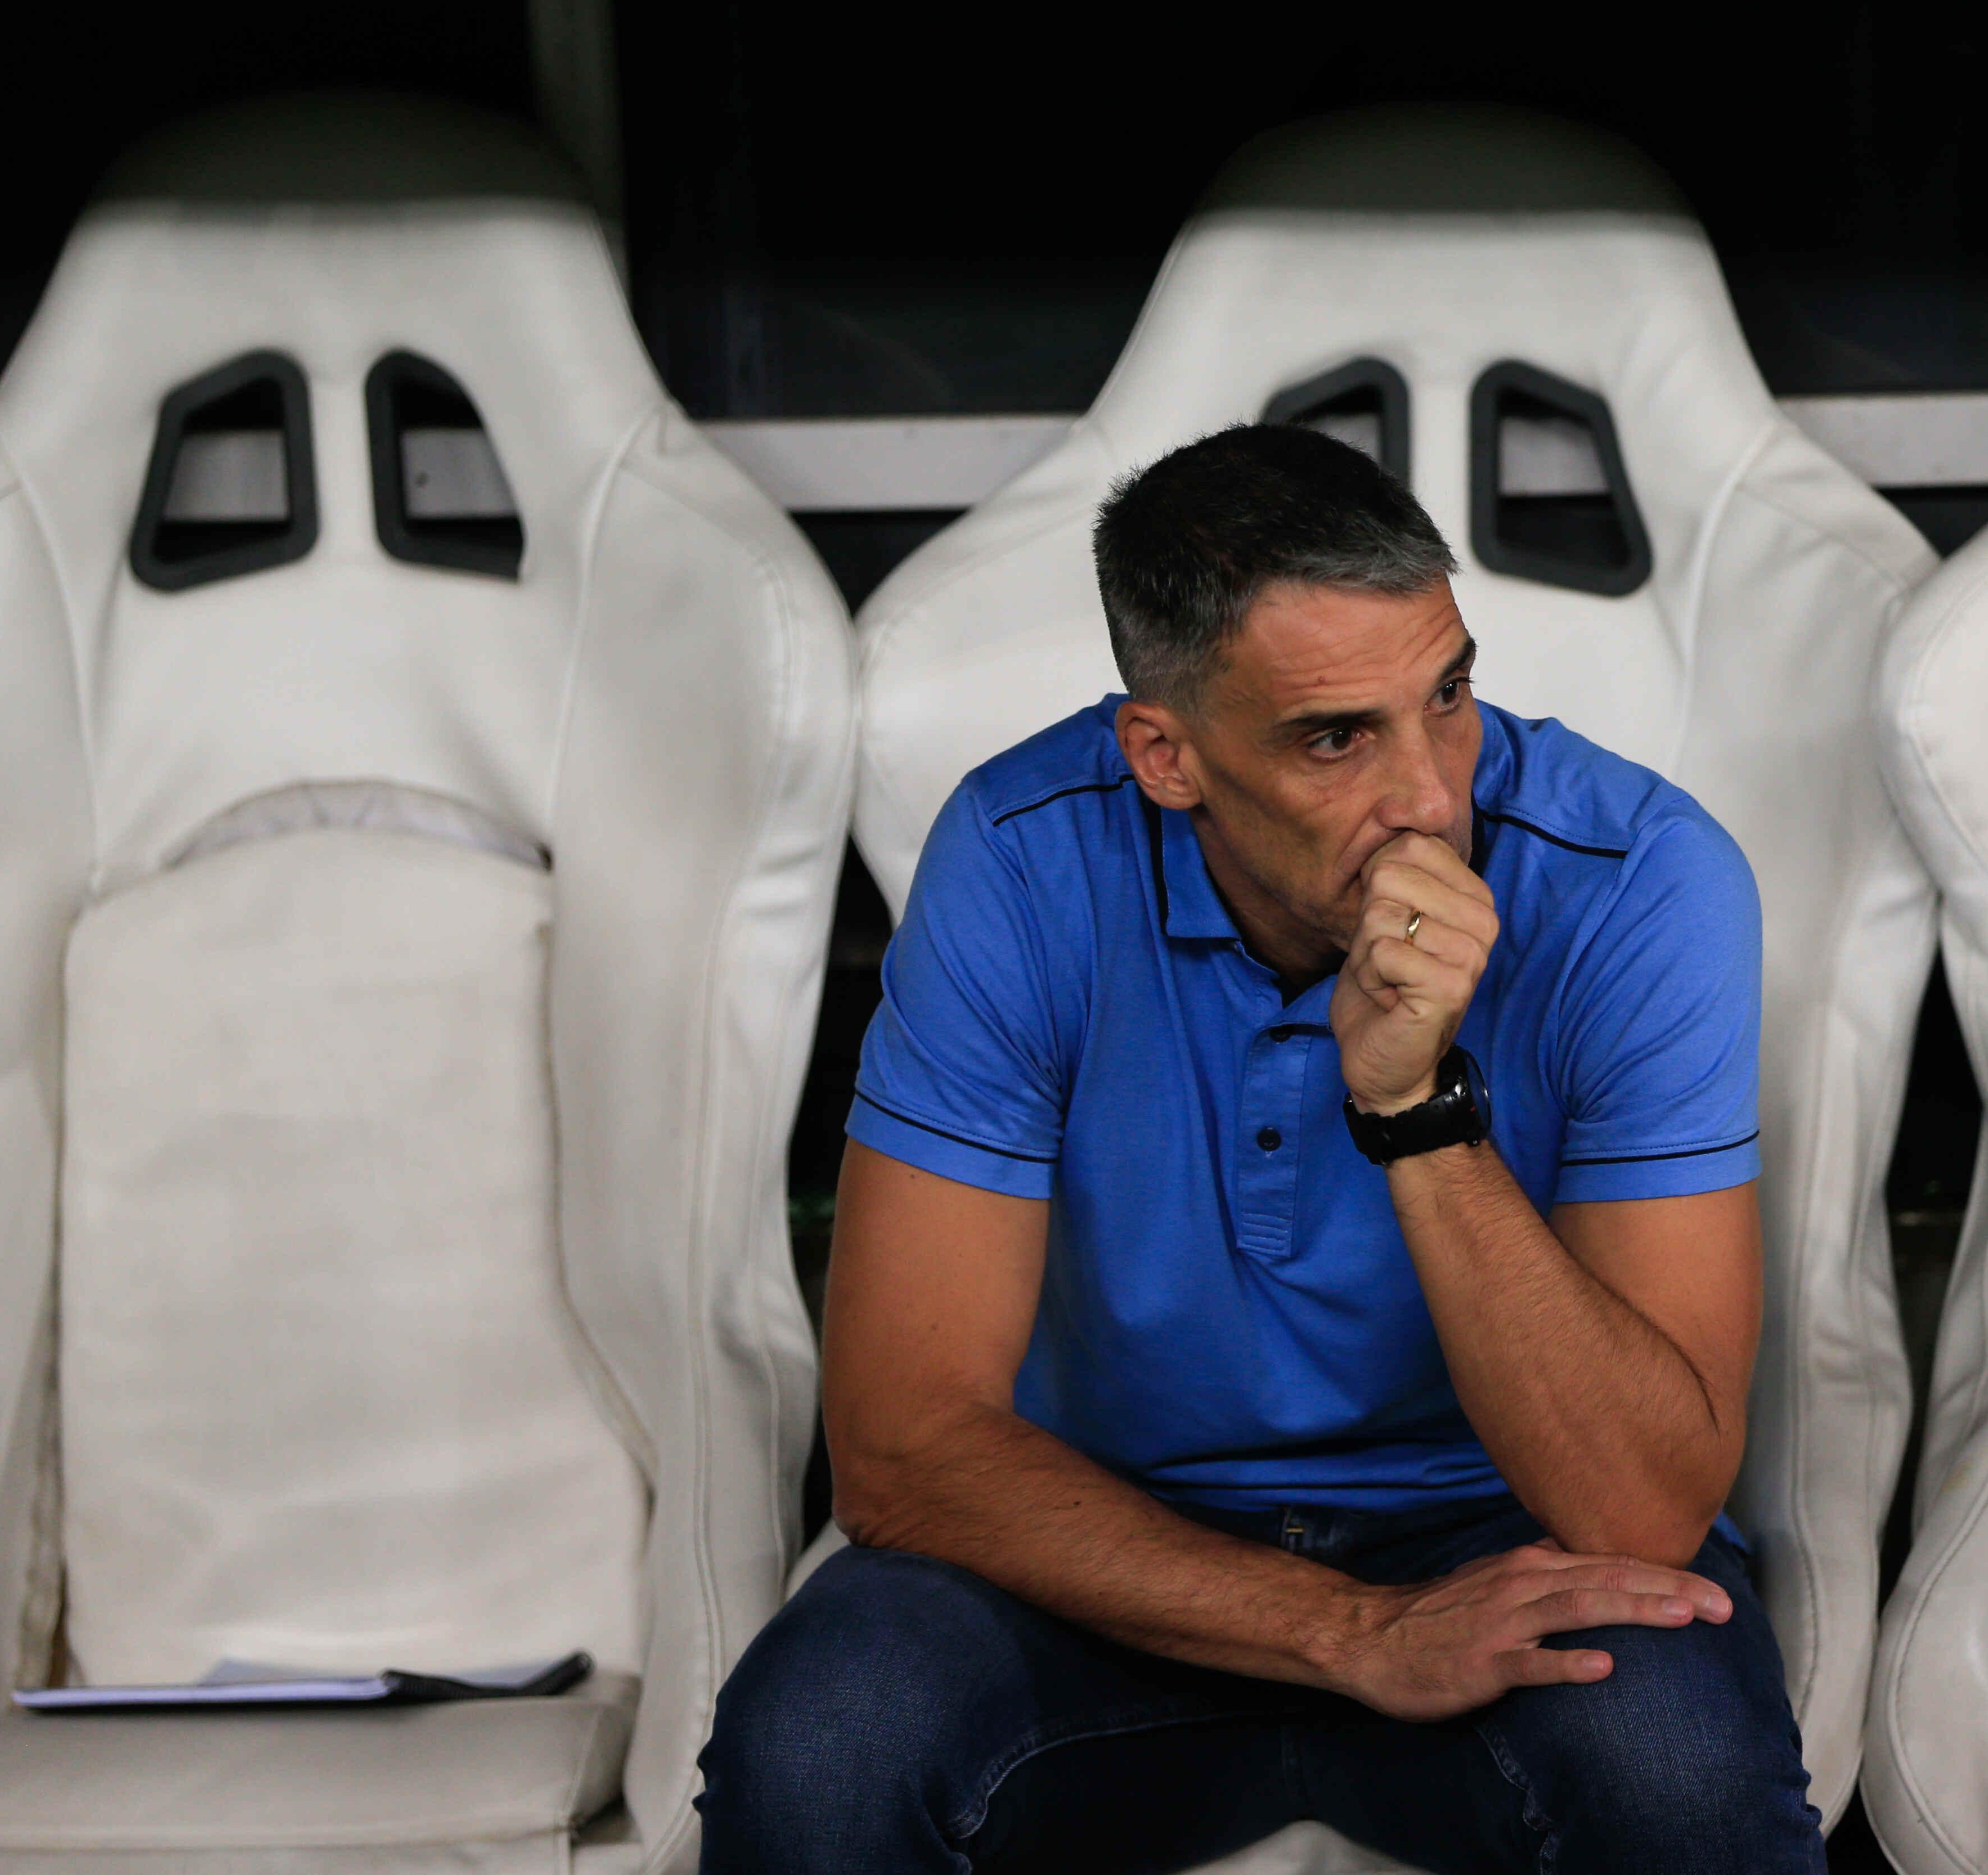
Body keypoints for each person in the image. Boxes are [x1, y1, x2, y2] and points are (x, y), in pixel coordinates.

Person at [699, 423, 1821, 1873]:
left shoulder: (1642, 878)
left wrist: (1415, 1111)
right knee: (818, 1744)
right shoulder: (1025, 853)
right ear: (1167, 755)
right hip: (1099, 1556)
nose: (1430, 795)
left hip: (1499, 1542)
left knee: (1682, 1773)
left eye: (1451, 694)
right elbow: (905, 1452)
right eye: (1337, 737)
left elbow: (1645, 1508)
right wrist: (1353, 1634)